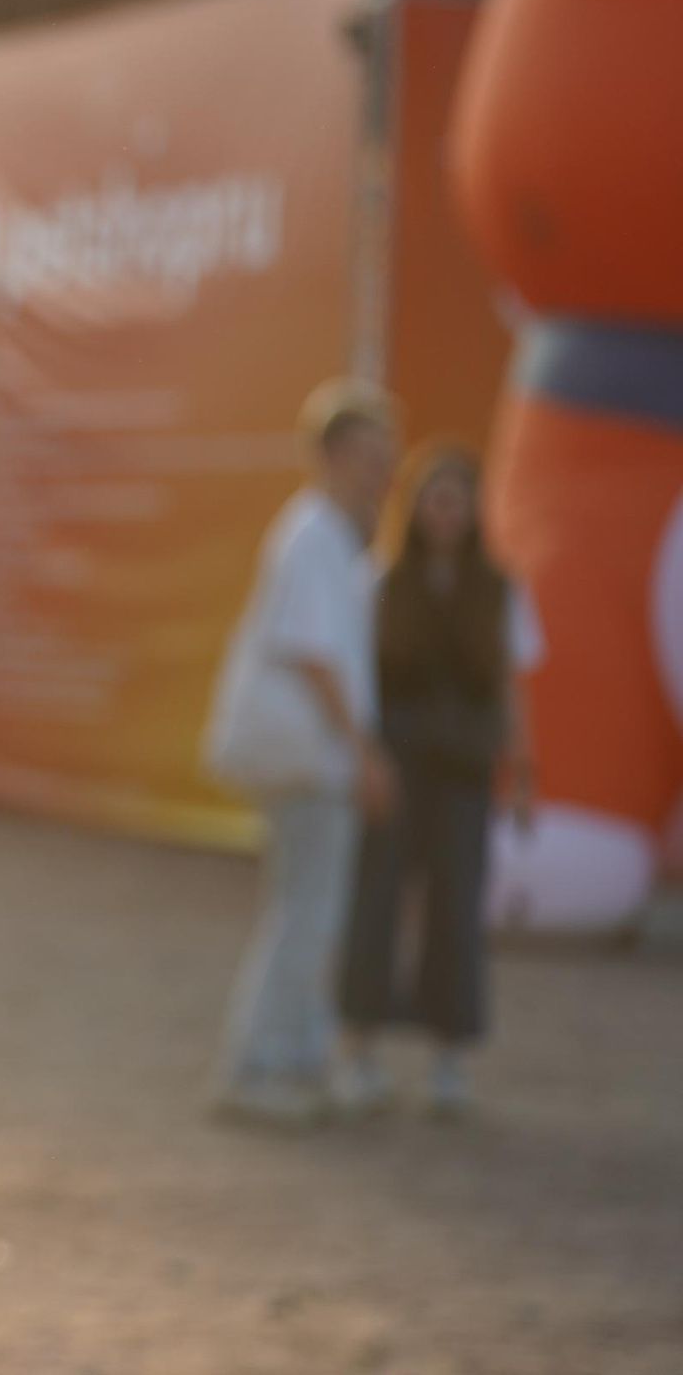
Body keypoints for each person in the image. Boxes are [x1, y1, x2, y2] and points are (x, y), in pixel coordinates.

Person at [202, 379, 401, 1125]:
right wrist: (366, 755)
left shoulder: (329, 536)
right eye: (364, 454)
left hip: (313, 760)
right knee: (303, 915)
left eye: (385, 456)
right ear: (327, 456)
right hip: (310, 761)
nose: (378, 470)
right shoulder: (314, 533)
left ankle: (295, 1061)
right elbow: (317, 657)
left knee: (308, 912)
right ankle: (257, 1068)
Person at [336, 444, 538, 1118]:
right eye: (434, 496)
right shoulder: (379, 582)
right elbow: (355, 678)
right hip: (399, 763)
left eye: (456, 498)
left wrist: (522, 772)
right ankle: (359, 1047)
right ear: (416, 505)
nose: (444, 511)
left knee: (456, 905)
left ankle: (449, 1059)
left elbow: (511, 688)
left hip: (463, 769)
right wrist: (363, 757)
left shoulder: (500, 589)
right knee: (378, 898)